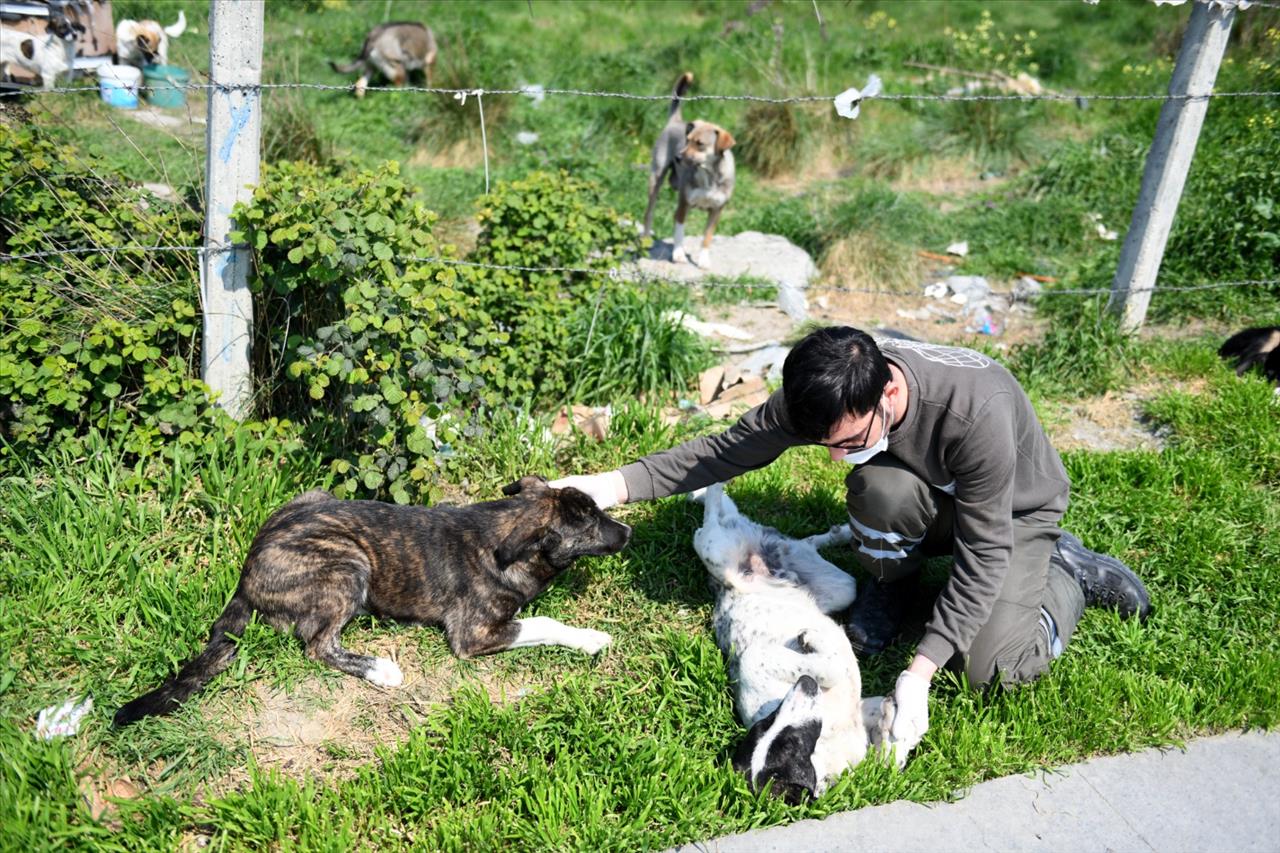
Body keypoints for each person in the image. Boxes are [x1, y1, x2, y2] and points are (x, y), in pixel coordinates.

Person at [551, 326, 1151, 758]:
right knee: (875, 487)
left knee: (993, 669)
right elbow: (721, 452)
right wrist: (605, 487)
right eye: (825, 443)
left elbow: (984, 551)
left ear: (889, 392)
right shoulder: (828, 392)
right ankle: (894, 583)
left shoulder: (976, 411)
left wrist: (919, 673)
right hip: (934, 497)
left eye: (849, 438)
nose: (835, 456)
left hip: (1012, 515)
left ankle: (1064, 573)